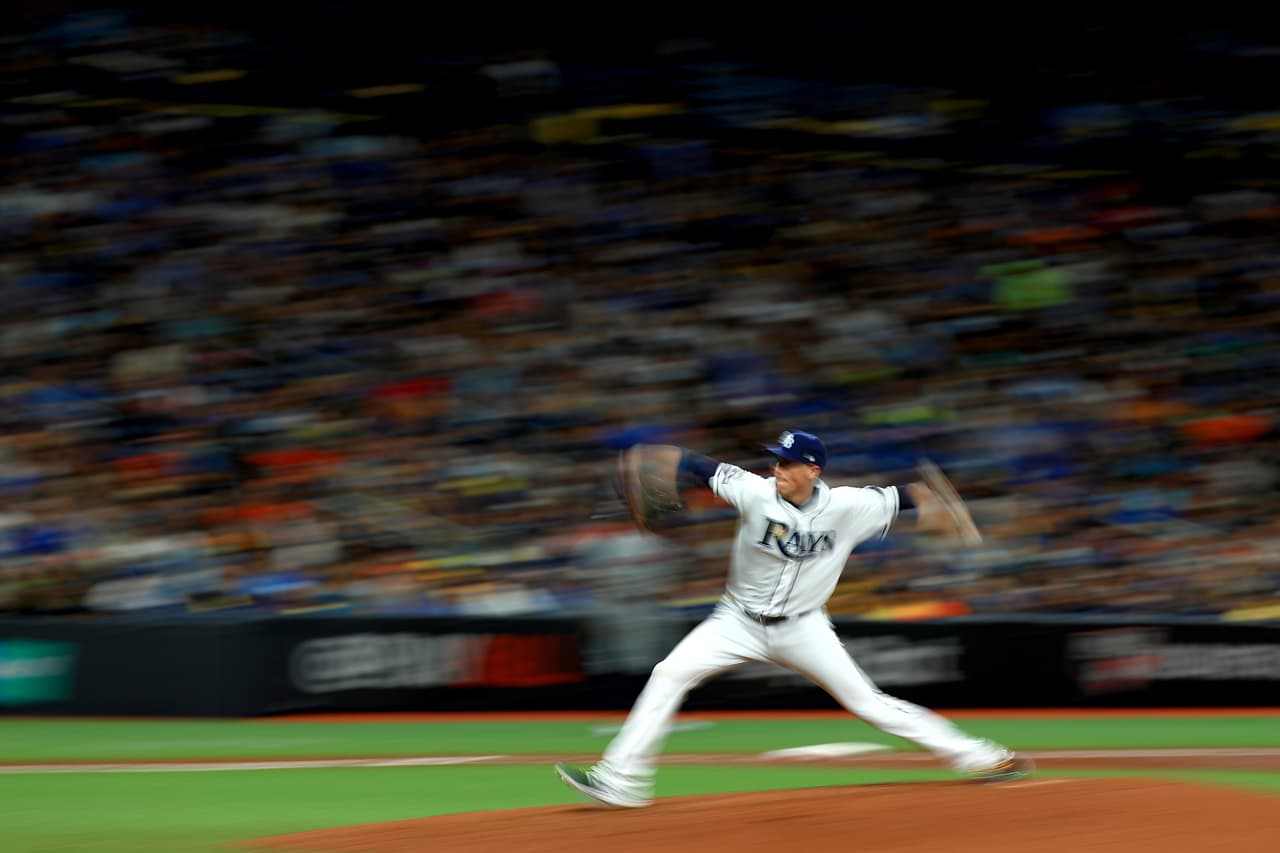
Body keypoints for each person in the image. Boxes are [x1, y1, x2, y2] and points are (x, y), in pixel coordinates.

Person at [555, 428, 1031, 808]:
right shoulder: (753, 491)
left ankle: (983, 757)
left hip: (804, 628)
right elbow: (693, 465)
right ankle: (622, 781)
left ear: (812, 470)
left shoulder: (849, 505)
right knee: (669, 673)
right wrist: (645, 457)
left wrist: (941, 505)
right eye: (775, 460)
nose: (776, 468)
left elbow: (907, 496)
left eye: (786, 462)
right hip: (735, 621)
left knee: (870, 704)